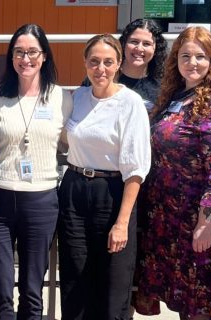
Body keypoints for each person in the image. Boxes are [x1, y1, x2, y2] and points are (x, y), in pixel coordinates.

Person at [133, 26, 211, 319]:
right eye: (185, 55)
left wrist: (204, 223)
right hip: (171, 217)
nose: (192, 62)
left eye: (200, 56)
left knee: (199, 302)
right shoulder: (177, 96)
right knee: (184, 300)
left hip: (200, 218)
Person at [0, 24, 72, 319]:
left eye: (32, 51)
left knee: (32, 289)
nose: (25, 58)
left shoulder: (62, 98)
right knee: (0, 287)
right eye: (18, 52)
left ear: (44, 55)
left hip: (41, 201)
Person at [58, 34, 150, 320]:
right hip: (73, 189)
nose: (101, 69)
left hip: (112, 193)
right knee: (75, 278)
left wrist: (122, 223)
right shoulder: (77, 98)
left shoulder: (130, 103)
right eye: (94, 61)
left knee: (112, 283)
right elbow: (64, 140)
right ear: (85, 63)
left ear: (119, 64)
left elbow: (136, 169)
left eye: (108, 62)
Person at [81, 18, 166, 111]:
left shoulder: (163, 85)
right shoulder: (102, 76)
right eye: (134, 42)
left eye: (146, 44)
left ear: (156, 48)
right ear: (124, 43)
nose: (139, 48)